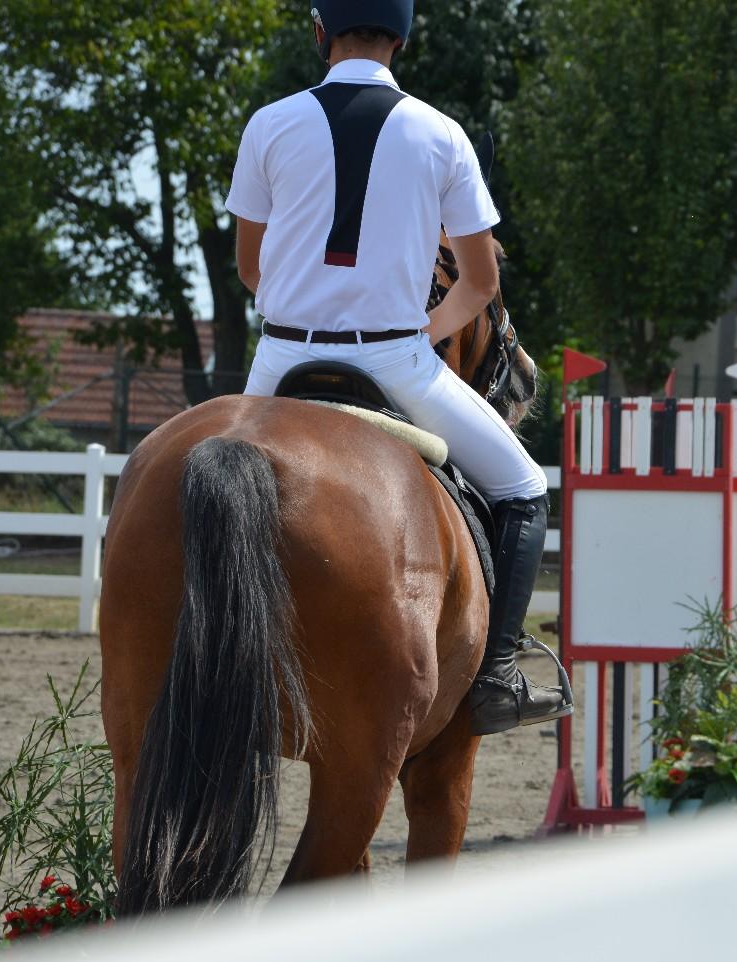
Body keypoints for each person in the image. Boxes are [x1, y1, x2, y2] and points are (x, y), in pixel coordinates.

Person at [225, 0, 571, 736]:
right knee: (523, 488)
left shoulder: (269, 123)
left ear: (320, 32)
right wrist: (419, 332)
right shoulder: (442, 133)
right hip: (395, 361)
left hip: (280, 356)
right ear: (403, 41)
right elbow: (479, 283)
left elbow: (251, 269)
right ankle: (496, 676)